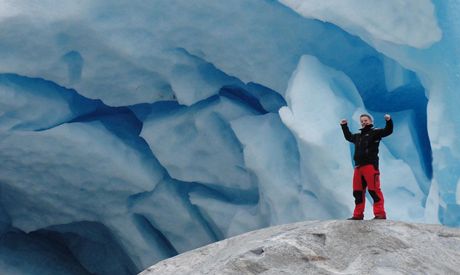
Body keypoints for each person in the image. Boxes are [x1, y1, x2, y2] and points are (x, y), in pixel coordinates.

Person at [340, 113, 393, 220]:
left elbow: (388, 131)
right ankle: (358, 215)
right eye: (362, 121)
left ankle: (380, 214)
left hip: (370, 165)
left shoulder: (375, 132)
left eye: (366, 120)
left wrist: (388, 121)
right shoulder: (358, 136)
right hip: (358, 167)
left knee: (374, 190)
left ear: (370, 121)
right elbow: (348, 137)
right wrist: (344, 126)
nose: (364, 122)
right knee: (357, 191)